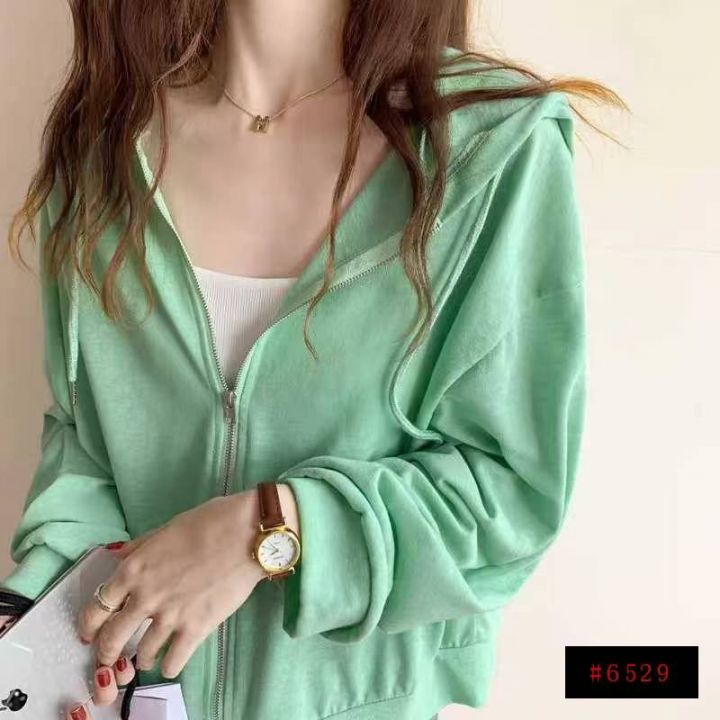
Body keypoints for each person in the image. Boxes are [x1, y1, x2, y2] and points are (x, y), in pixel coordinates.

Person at [1, 1, 624, 719]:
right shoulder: (106, 146)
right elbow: (87, 450)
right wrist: (30, 627)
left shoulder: (492, 147)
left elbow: (511, 495)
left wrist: (271, 530)